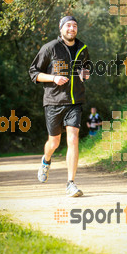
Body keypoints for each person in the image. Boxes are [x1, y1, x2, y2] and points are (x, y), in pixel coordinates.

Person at [29, 16, 90, 197]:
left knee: (72, 138)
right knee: (54, 142)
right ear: (61, 28)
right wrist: (54, 78)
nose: (72, 28)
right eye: (68, 25)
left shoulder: (83, 48)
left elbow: (86, 67)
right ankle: (46, 160)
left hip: (75, 101)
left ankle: (70, 183)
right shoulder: (50, 48)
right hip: (54, 101)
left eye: (75, 26)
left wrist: (84, 73)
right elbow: (34, 73)